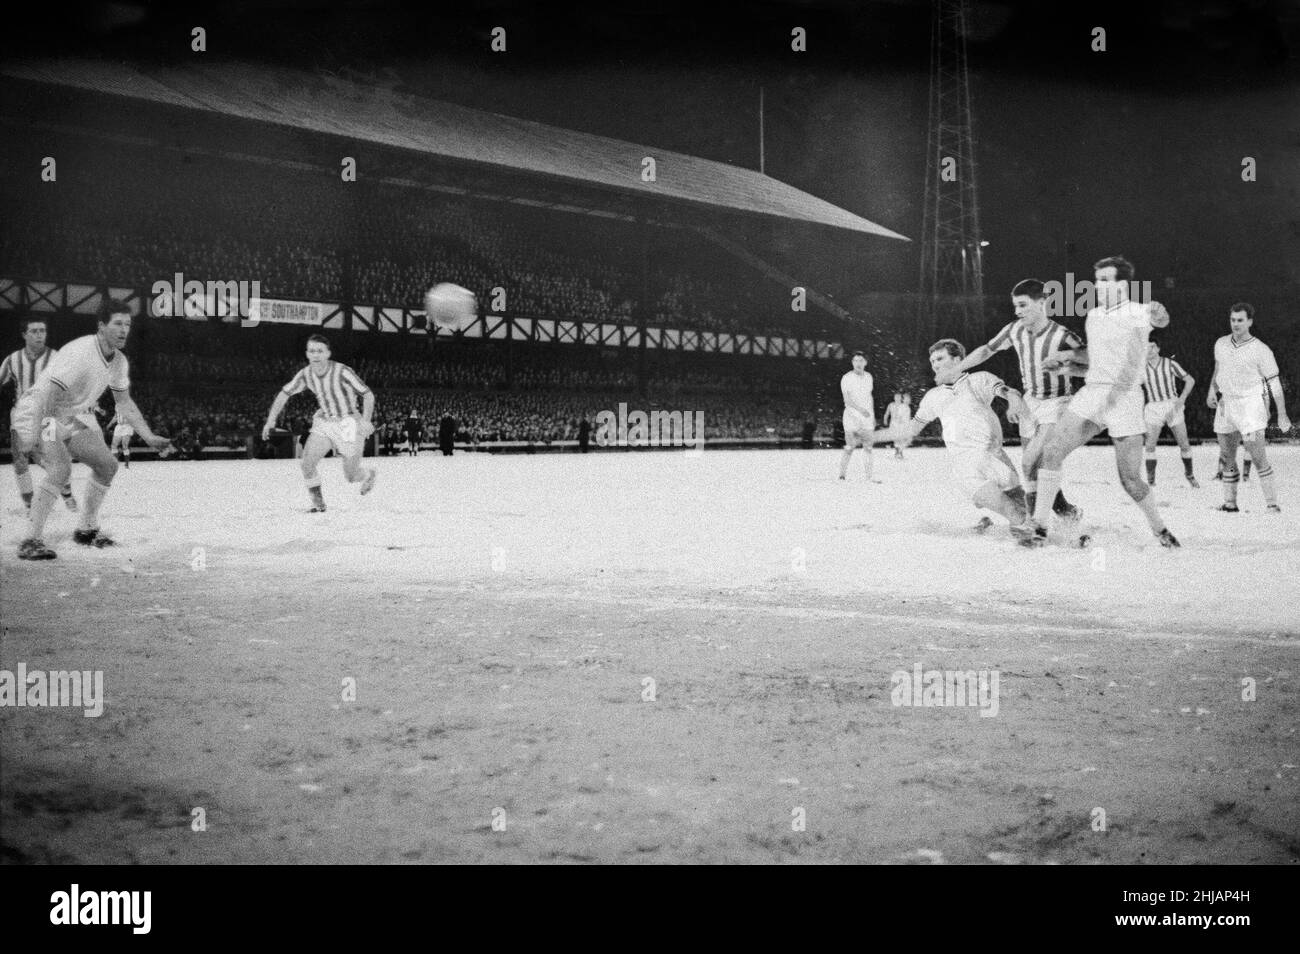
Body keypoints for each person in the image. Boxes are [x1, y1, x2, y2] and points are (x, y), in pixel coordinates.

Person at [1024, 256, 1179, 548]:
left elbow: (1161, 319)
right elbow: (1095, 360)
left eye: (1106, 280)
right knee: (1052, 451)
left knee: (1130, 480)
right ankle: (1040, 527)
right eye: (1098, 280)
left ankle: (1161, 530)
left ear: (1123, 284)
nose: (1099, 285)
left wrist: (1159, 313)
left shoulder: (1138, 311)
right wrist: (1067, 364)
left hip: (1126, 397)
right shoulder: (1094, 316)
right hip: (1094, 392)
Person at [12, 300, 173, 560]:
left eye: (128, 325)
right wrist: (43, 436)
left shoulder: (119, 361)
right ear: (101, 326)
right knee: (60, 469)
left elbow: (125, 403)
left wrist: (149, 436)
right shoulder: (81, 352)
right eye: (118, 324)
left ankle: (86, 530)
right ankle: (30, 540)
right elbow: (49, 395)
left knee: (107, 465)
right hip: (36, 410)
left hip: (65, 414)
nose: (124, 330)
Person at [954, 278, 1086, 520]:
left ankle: (1037, 523)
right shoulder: (1014, 330)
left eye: (1023, 305)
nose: (1018, 311)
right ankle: (1066, 511)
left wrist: (1067, 367)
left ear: (1041, 302)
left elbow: (1091, 363)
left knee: (1030, 461)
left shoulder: (1062, 335)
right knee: (1033, 470)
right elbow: (986, 350)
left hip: (1057, 403)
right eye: (1015, 306)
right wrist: (958, 369)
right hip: (1030, 403)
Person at [879, 339, 1034, 539]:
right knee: (1016, 516)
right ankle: (1029, 540)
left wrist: (1013, 399)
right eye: (932, 360)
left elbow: (1009, 392)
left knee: (1027, 515)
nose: (934, 364)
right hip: (966, 467)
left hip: (996, 459)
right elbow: (911, 429)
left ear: (958, 359)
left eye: (940, 358)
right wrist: (874, 436)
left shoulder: (979, 379)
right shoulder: (933, 396)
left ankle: (993, 528)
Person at [262, 334, 377, 513]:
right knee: (307, 464)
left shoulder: (342, 371)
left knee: (351, 475)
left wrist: (365, 421)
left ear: (327, 354)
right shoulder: (306, 374)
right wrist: (270, 421)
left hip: (348, 424)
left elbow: (368, 394)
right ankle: (318, 504)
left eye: (320, 351)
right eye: (312, 351)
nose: (315, 355)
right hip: (325, 422)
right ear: (307, 354)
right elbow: (284, 393)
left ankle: (369, 474)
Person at [1208, 302, 1290, 513]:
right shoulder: (1221, 343)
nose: (1235, 324)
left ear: (1250, 322)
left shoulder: (1261, 349)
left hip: (1251, 408)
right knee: (1227, 457)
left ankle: (1272, 504)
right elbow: (1218, 369)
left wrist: (1282, 414)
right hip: (1227, 406)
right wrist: (1211, 390)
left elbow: (1274, 383)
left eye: (1240, 320)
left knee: (1257, 455)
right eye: (1233, 320)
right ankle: (1230, 503)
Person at [1, 317, 76, 510]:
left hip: (47, 416)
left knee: (52, 459)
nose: (39, 335)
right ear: (24, 334)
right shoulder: (12, 359)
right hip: (22, 417)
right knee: (19, 458)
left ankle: (67, 494)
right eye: (34, 331)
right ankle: (29, 506)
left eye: (42, 331)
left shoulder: (56, 357)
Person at [1141, 340, 1197, 487]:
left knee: (1184, 444)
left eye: (1152, 346)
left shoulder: (1169, 364)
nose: (1149, 350)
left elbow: (1190, 380)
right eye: (1146, 347)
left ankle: (1189, 475)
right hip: (1153, 407)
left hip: (1171, 405)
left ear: (1158, 348)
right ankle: (1151, 481)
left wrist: (1181, 400)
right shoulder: (1140, 368)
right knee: (1149, 446)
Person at [839, 350, 878, 481]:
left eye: (861, 360)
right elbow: (847, 400)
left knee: (868, 447)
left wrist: (872, 415)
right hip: (851, 416)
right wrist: (860, 411)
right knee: (850, 447)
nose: (858, 363)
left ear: (865, 362)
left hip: (866, 417)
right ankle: (842, 474)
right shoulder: (847, 378)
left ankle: (869, 477)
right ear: (852, 362)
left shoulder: (869, 377)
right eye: (855, 360)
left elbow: (869, 397)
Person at [881, 392, 912, 459]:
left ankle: (900, 453)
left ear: (901, 398)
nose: (897, 398)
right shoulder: (891, 405)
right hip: (893, 424)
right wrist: (885, 420)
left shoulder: (903, 406)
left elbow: (907, 416)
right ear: (894, 397)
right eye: (896, 397)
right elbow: (886, 413)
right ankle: (897, 452)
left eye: (898, 397)